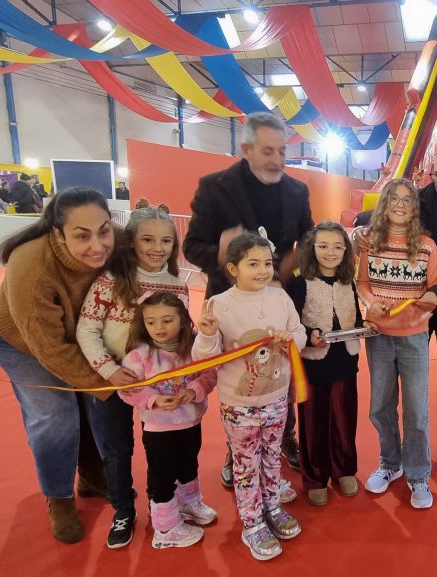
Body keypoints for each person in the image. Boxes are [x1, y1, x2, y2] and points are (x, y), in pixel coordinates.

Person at [183, 112, 313, 484]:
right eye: (269, 151)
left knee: (280, 373)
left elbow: (306, 238)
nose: (278, 160)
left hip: (281, 299)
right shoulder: (214, 187)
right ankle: (235, 449)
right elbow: (192, 247)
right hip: (231, 302)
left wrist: (292, 261)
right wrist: (224, 255)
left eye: (283, 151)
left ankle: (284, 435)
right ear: (246, 149)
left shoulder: (297, 191)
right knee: (238, 380)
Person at [0, 187, 118, 544]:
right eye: (81, 235)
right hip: (23, 340)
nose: (98, 245)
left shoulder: (115, 242)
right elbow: (50, 350)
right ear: (57, 233)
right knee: (55, 415)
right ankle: (58, 498)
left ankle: (92, 476)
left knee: (92, 403)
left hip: (80, 333)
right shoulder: (30, 263)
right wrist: (112, 383)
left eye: (104, 230)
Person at [352, 140, 437, 477]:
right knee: (396, 384)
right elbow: (385, 211)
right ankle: (394, 459)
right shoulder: (419, 197)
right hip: (406, 305)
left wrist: (436, 292)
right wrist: (359, 229)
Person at [75, 199, 188, 548]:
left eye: (166, 241)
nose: (157, 248)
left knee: (164, 448)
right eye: (148, 240)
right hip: (114, 381)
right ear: (132, 242)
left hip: (159, 386)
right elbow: (87, 330)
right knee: (117, 449)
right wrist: (109, 370)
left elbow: (182, 336)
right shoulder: (111, 281)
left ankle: (165, 504)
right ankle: (123, 508)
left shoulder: (177, 284)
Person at [192, 232, 307, 561]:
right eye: (252, 264)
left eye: (267, 263)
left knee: (273, 458)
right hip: (239, 406)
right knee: (245, 466)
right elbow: (205, 356)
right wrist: (208, 333)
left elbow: (298, 332)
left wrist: (290, 340)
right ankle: (252, 522)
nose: (262, 270)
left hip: (276, 399)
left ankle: (272, 507)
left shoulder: (280, 298)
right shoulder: (220, 304)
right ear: (233, 268)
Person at [357, 178, 437, 509]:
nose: (401, 204)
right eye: (395, 198)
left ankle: (418, 473)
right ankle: (390, 463)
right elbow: (362, 283)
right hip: (379, 338)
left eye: (408, 199)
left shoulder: (426, 247)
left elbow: (435, 288)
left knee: (416, 411)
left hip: (414, 339)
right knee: (380, 405)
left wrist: (428, 302)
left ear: (415, 207)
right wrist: (369, 303)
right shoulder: (370, 243)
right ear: (385, 202)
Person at [120, 291, 217, 549]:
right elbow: (128, 389)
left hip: (191, 423)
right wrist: (153, 399)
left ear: (184, 320)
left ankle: (189, 504)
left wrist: (193, 390)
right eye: (151, 322)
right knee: (162, 475)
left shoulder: (194, 349)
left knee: (188, 464)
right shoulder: (139, 355)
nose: (158, 328)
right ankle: (165, 528)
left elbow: (209, 374)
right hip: (158, 428)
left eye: (166, 320)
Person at [286, 222, 363, 506]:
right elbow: (292, 322)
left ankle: (344, 469)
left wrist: (364, 327)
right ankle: (316, 476)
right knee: (313, 420)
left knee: (344, 417)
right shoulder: (300, 283)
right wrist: (309, 336)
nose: (331, 252)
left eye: (337, 247)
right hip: (314, 363)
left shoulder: (348, 282)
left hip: (345, 361)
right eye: (323, 246)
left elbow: (354, 317)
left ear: (346, 250)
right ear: (312, 248)